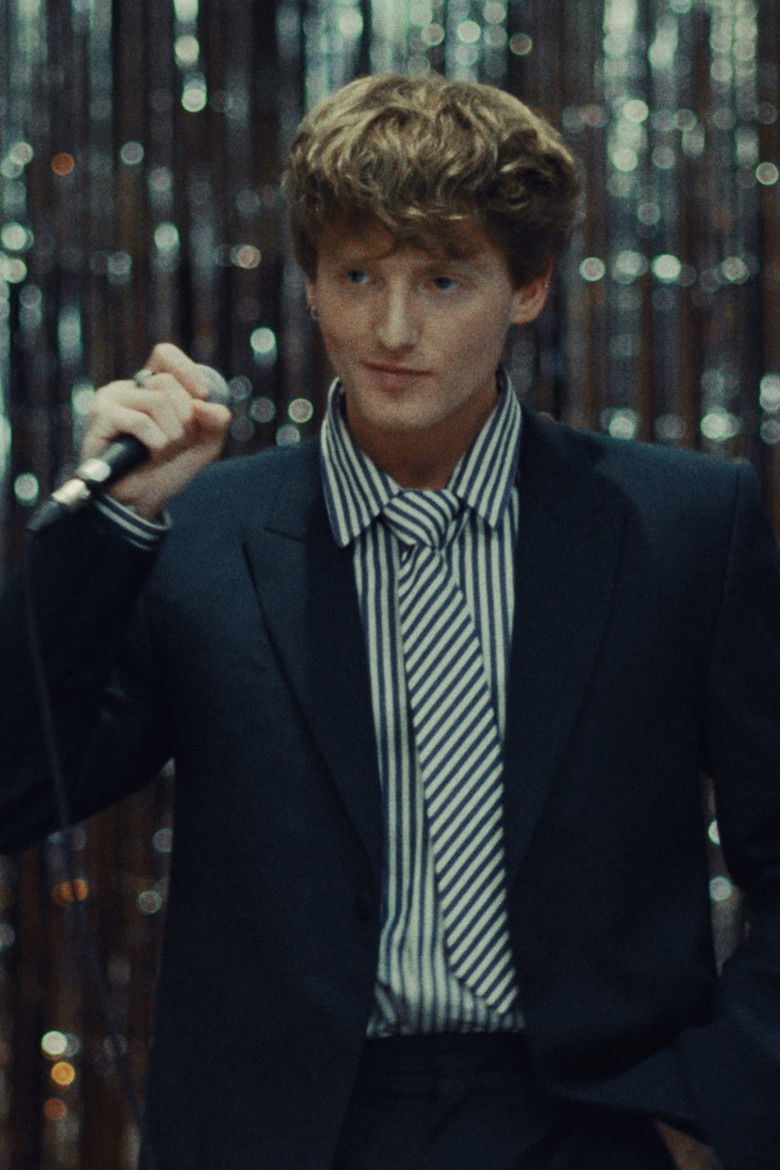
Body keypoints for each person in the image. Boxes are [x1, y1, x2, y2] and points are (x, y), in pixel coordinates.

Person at [1, 72, 779, 1170]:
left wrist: (712, 1110)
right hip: (285, 1129)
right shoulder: (199, 531)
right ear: (313, 286)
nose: (393, 329)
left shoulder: (685, 524)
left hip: (593, 1117)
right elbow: (16, 786)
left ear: (528, 288)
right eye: (358, 276)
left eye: (443, 280)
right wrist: (108, 530)